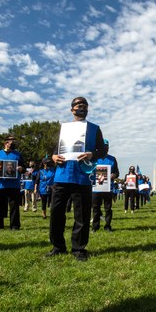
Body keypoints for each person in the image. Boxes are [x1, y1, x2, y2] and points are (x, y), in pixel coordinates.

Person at [48, 97, 106, 261]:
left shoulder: (94, 128)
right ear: (72, 109)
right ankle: (58, 246)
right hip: (62, 175)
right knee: (56, 213)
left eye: (85, 106)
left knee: (81, 215)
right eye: (79, 106)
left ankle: (78, 249)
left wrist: (92, 154)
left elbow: (102, 149)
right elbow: (54, 148)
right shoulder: (63, 128)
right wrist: (53, 156)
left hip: (82, 176)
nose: (82, 108)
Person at [0, 136, 24, 231]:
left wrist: (21, 169)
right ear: (6, 143)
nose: (13, 143)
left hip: (13, 185)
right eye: (11, 142)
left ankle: (14, 226)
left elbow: (24, 168)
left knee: (14, 207)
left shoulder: (18, 154)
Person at [92, 139, 119, 232]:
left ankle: (107, 226)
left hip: (108, 188)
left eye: (106, 147)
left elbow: (117, 172)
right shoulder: (94, 158)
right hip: (96, 188)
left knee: (108, 208)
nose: (105, 149)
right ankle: (95, 227)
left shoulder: (112, 159)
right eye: (103, 147)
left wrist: (113, 175)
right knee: (95, 208)